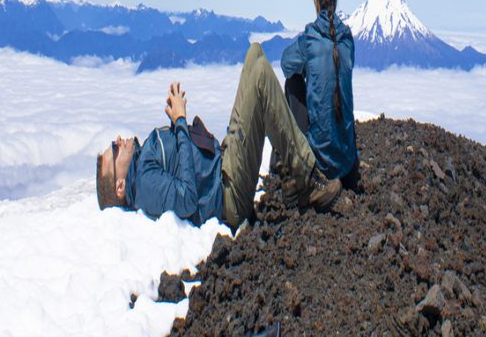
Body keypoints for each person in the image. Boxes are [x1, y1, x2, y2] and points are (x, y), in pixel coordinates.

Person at [95, 43, 342, 231]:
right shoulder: (145, 184)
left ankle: (291, 178)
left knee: (254, 53)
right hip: (228, 196)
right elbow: (187, 199)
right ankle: (308, 178)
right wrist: (180, 122)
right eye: (114, 151)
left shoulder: (145, 162)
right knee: (260, 76)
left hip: (224, 165)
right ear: (120, 187)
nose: (117, 140)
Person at [280, 0, 360, 190]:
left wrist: (307, 68)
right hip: (347, 163)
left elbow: (286, 64)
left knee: (293, 82)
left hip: (322, 165)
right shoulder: (347, 39)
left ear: (315, 1)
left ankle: (294, 161)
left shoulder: (311, 39)